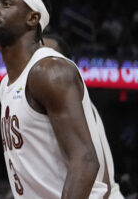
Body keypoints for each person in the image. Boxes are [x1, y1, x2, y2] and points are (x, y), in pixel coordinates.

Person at [0, 0, 105, 198]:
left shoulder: (49, 70)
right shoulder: (6, 85)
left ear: (32, 18)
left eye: (6, 3)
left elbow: (85, 159)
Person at [41, 32, 124, 199]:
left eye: (49, 58)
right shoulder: (38, 105)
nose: (41, 65)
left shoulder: (75, 105)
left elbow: (102, 181)